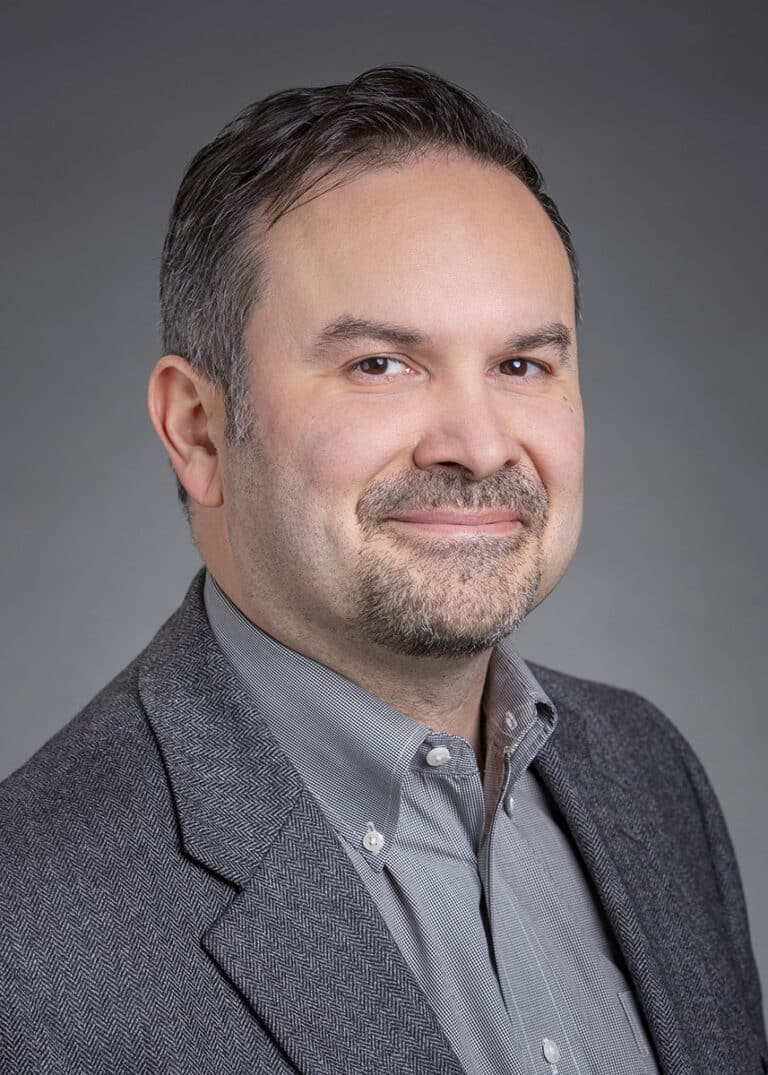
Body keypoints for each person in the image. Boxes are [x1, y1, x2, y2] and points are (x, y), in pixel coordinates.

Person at [0, 64, 764, 1075]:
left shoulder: (648, 775)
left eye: (522, 364)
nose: (479, 446)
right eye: (380, 364)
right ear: (199, 429)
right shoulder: (30, 922)